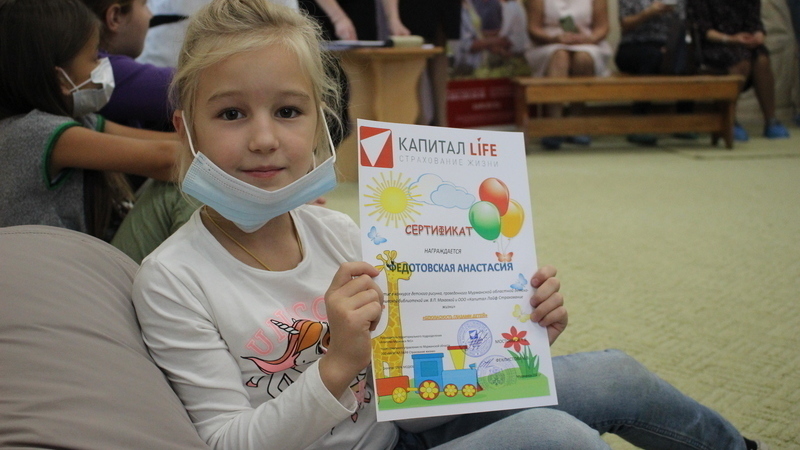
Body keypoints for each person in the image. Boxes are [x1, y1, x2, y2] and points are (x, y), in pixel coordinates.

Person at [131, 1, 767, 449]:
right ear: (186, 129)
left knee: (616, 374)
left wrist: (515, 336)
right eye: (232, 113)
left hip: (404, 427)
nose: (266, 139)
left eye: (289, 111)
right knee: (556, 439)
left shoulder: (338, 234)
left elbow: (415, 383)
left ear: (323, 124)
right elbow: (226, 443)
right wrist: (337, 363)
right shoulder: (174, 279)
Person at [0, 0, 179, 239]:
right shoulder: (34, 132)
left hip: (80, 255)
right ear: (61, 79)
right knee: (177, 193)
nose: (103, 65)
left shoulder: (79, 119)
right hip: (54, 262)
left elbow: (165, 143)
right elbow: (166, 160)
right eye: (95, 57)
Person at [690, 0, 790, 141]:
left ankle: (771, 120)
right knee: (741, 60)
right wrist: (731, 39)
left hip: (742, 42)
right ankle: (730, 118)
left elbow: (755, 23)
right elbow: (703, 31)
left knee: (761, 58)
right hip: (713, 44)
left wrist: (758, 35)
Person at [525, 0, 612, 150]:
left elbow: (602, 27)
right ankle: (555, 123)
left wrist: (589, 39)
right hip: (548, 43)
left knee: (583, 58)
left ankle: (576, 121)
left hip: (586, 42)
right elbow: (534, 29)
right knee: (560, 56)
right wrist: (554, 38)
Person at [81, 0, 175, 131]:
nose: (151, 15)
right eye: (144, 4)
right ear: (115, 17)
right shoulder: (103, 71)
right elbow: (195, 86)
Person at [616, 0, 697, 146]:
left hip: (668, 45)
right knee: (651, 58)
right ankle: (639, 123)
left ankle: (684, 121)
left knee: (687, 58)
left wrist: (671, 45)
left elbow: (684, 21)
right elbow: (625, 23)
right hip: (634, 45)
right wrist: (648, 13)